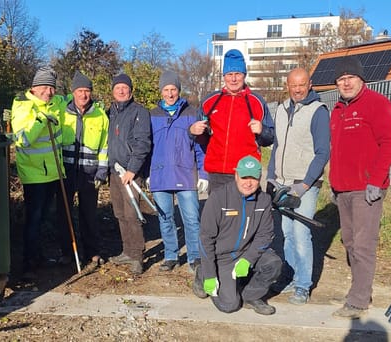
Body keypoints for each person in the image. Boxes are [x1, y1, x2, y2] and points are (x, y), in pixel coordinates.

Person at [329, 56, 391, 319]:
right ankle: (360, 290)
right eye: (341, 79)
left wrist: (376, 180)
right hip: (343, 188)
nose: (346, 83)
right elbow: (338, 151)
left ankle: (358, 301)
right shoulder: (337, 110)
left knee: (363, 244)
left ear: (362, 79)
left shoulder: (377, 104)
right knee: (349, 242)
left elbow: (390, 143)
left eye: (351, 78)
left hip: (366, 189)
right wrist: (334, 184)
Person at [266, 68, 330, 305]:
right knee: (288, 234)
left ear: (310, 84)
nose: (298, 89)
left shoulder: (318, 112)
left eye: (302, 84)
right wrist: (271, 178)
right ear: (287, 85)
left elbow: (323, 152)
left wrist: (305, 184)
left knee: (302, 235)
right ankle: (292, 277)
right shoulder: (281, 109)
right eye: (294, 85)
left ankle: (303, 285)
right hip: (282, 182)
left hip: (304, 184)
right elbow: (276, 147)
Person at [193, 155, 282, 315]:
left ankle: (251, 295)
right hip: (223, 258)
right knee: (230, 305)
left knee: (273, 263)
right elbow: (206, 238)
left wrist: (248, 259)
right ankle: (202, 272)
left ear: (259, 178)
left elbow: (265, 234)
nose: (248, 183)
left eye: (253, 178)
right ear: (236, 175)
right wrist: (210, 274)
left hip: (246, 253)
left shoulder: (264, 200)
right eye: (244, 177)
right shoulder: (219, 197)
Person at [189, 49, 274, 193]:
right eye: (229, 74)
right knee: (219, 215)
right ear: (224, 76)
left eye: (237, 74)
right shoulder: (210, 102)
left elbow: (270, 137)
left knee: (244, 215)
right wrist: (192, 131)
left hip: (247, 172)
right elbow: (201, 138)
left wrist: (262, 130)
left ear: (244, 75)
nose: (233, 79)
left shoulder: (256, 102)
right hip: (217, 174)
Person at [10, 66, 67, 277]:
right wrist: (41, 120)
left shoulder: (55, 102)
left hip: (53, 172)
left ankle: (39, 255)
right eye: (43, 87)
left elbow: (71, 98)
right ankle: (29, 262)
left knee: (43, 218)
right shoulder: (24, 106)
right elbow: (23, 141)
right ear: (34, 88)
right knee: (33, 219)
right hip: (34, 174)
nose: (48, 92)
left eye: (51, 88)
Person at [149, 70, 207, 272]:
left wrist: (204, 174)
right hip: (160, 174)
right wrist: (147, 173)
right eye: (166, 89)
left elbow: (201, 147)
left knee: (191, 219)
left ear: (179, 90)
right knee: (165, 218)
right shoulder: (152, 115)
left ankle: (195, 257)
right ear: (161, 91)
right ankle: (171, 255)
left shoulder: (192, 113)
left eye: (173, 89)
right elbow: (148, 146)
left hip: (185, 174)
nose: (170, 93)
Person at [58, 71, 109, 266]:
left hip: (90, 173)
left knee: (89, 214)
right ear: (73, 92)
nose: (83, 95)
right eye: (80, 91)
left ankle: (92, 252)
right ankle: (67, 252)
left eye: (87, 91)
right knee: (64, 214)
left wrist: (102, 170)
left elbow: (105, 146)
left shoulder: (100, 115)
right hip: (66, 171)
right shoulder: (62, 113)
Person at [107, 73, 152, 274]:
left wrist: (133, 169)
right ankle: (127, 250)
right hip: (114, 171)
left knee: (132, 214)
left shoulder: (139, 112)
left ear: (131, 91)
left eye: (125, 88)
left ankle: (137, 256)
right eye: (118, 88)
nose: (122, 91)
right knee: (119, 213)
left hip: (130, 173)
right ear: (113, 91)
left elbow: (143, 143)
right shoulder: (110, 112)